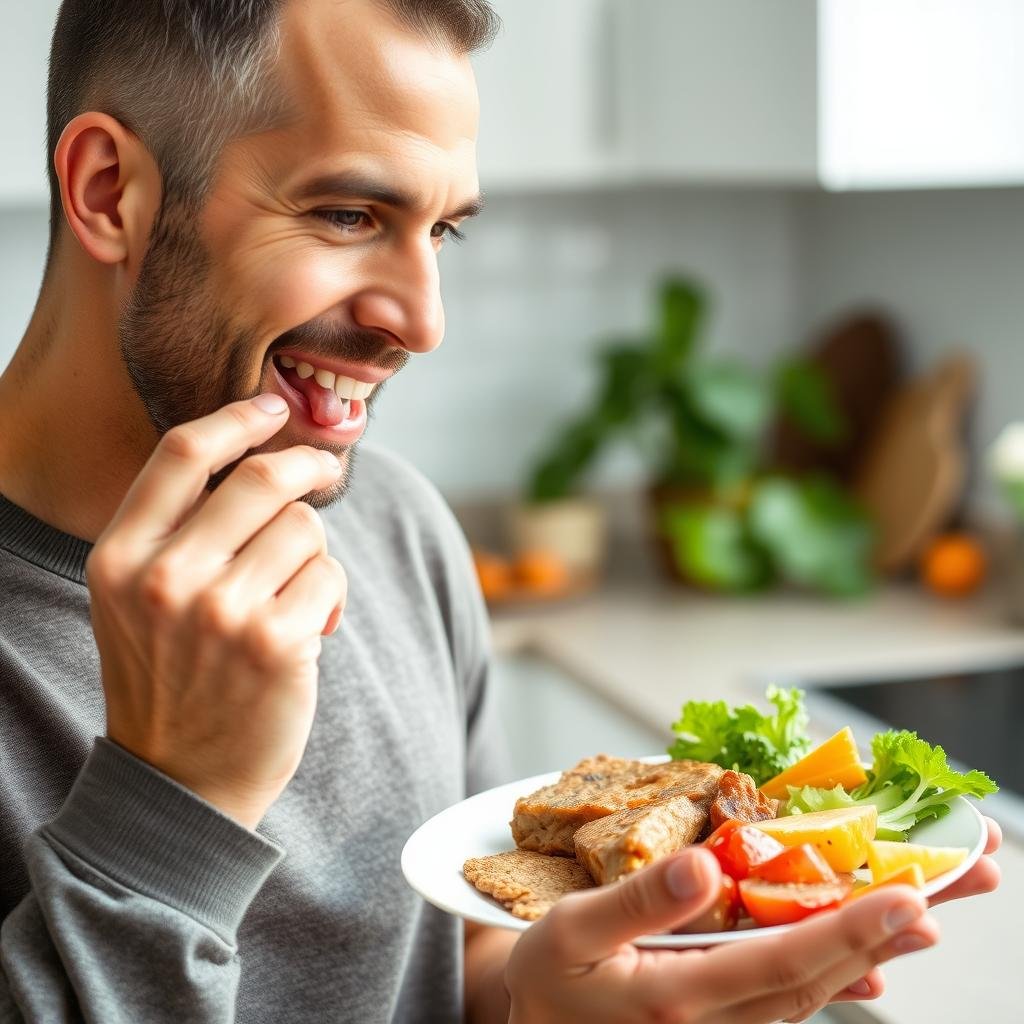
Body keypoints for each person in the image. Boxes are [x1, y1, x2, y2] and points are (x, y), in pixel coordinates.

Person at [0, 1, 1001, 1021]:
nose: (423, 321)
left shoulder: (398, 533)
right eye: (348, 215)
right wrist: (173, 808)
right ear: (109, 191)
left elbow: (466, 965)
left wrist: (557, 1006)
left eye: (441, 230)